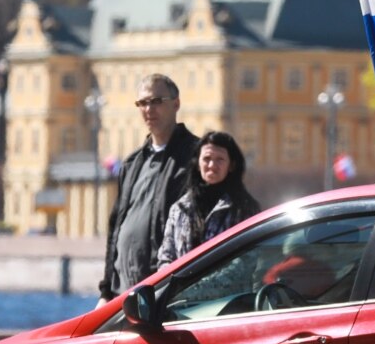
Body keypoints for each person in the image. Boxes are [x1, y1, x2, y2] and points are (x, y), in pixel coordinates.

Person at [98, 73, 200, 304]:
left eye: (156, 101)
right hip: (121, 293)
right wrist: (105, 291)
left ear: (176, 104)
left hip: (165, 291)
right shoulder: (132, 163)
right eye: (142, 103)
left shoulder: (196, 156)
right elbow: (116, 228)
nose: (148, 109)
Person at [157, 131, 261, 266]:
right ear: (197, 163)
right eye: (207, 159)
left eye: (220, 159)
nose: (212, 165)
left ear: (231, 165)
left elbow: (249, 260)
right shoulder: (180, 209)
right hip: (183, 287)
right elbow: (166, 258)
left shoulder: (244, 209)